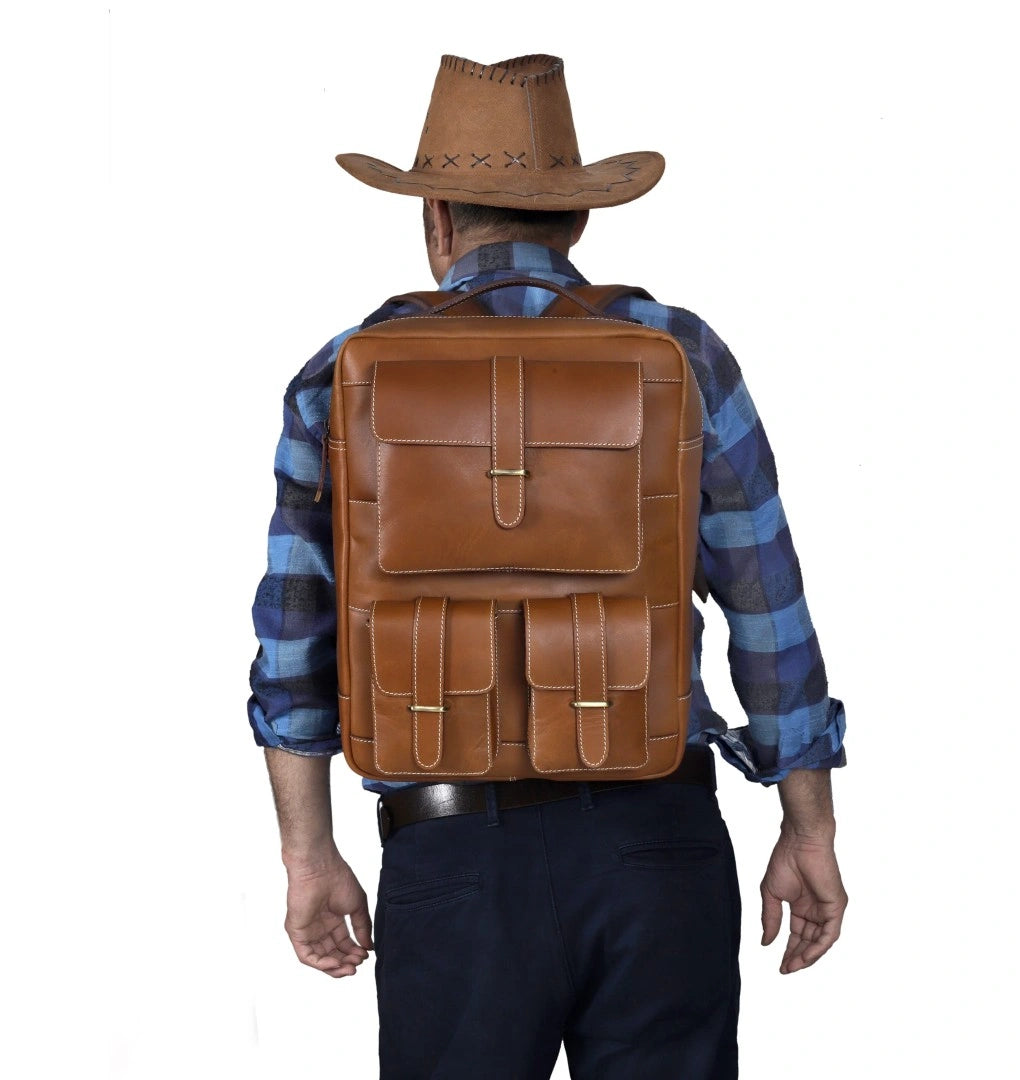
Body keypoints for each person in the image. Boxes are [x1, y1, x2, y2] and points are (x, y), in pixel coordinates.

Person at [248, 53, 847, 1079]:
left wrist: (309, 857)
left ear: (435, 217)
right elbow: (767, 606)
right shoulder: (684, 354)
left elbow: (294, 642)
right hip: (658, 843)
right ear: (576, 219)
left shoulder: (339, 375)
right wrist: (810, 826)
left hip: (451, 858)